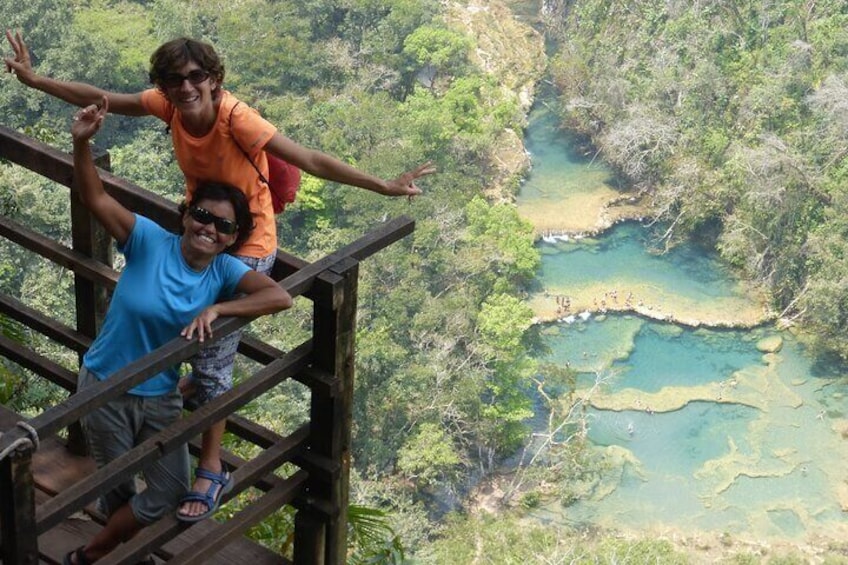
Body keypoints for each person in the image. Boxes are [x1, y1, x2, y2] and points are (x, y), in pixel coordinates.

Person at [5, 31, 435, 521]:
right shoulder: (166, 107)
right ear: (163, 86)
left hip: (245, 245)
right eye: (174, 79)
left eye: (196, 77)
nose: (186, 87)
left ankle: (211, 467)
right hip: (203, 228)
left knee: (212, 359)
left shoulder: (237, 118)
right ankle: (180, 393)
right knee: (178, 325)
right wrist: (35, 80)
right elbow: (104, 99)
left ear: (213, 79)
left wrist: (382, 186)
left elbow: (308, 159)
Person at [64, 98, 292, 565]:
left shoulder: (223, 272)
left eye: (222, 225)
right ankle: (128, 554)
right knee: (116, 486)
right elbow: (95, 198)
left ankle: (92, 553)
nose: (209, 228)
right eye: (202, 216)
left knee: (167, 491)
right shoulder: (148, 239)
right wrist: (82, 145)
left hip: (161, 395)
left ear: (232, 237)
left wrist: (221, 308)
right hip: (105, 386)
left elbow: (279, 297)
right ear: (186, 215)